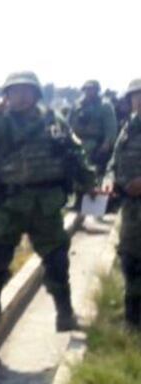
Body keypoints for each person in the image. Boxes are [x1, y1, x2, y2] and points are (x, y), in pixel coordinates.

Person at [0, 71, 95, 331]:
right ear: (6, 96)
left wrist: (89, 182)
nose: (20, 97)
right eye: (14, 92)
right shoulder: (3, 123)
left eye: (26, 91)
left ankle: (64, 313)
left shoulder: (54, 121)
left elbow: (74, 152)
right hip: (10, 204)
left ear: (36, 94)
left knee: (57, 259)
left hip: (46, 204)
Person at [110, 78, 141, 328]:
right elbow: (115, 160)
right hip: (131, 208)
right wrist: (111, 180)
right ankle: (132, 320)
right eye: (135, 97)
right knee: (130, 259)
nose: (138, 101)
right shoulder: (128, 127)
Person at [68, 80, 118, 178]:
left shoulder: (105, 106)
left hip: (96, 146)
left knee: (95, 175)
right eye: (87, 89)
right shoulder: (77, 105)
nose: (89, 92)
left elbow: (111, 128)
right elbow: (69, 124)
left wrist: (106, 144)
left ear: (97, 90)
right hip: (77, 145)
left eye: (92, 89)